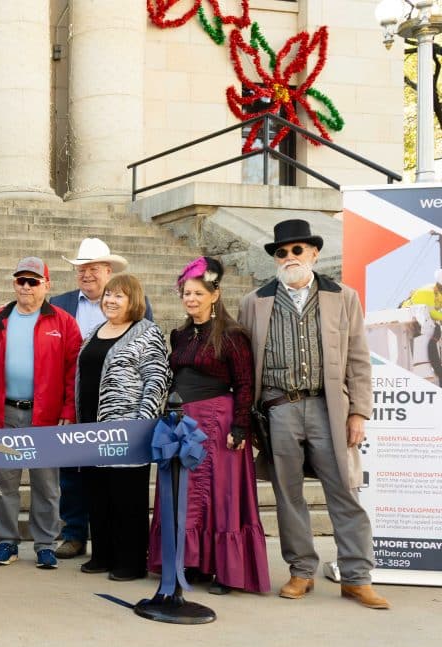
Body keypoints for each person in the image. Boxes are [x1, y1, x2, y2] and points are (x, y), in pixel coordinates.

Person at [238, 219, 389, 609]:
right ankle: (301, 570)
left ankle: (356, 576)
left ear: (314, 253)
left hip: (328, 407)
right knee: (288, 495)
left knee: (344, 491)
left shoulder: (343, 297)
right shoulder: (254, 301)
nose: (290, 257)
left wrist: (359, 412)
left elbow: (359, 358)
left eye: (297, 250)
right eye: (282, 252)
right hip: (278, 407)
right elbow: (244, 363)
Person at [146, 257, 269, 594]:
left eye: (198, 293)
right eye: (186, 293)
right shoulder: (181, 334)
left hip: (218, 421)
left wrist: (240, 427)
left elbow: (245, 383)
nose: (191, 299)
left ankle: (223, 570)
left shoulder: (231, 335)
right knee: (184, 492)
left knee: (219, 495)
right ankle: (192, 562)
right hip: (181, 421)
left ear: (215, 295)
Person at [0, 257, 81, 570]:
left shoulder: (63, 323)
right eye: (21, 281)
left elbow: (74, 370)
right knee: (4, 483)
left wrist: (69, 409)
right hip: (4, 413)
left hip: (45, 415)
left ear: (47, 285)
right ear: (14, 284)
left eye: (33, 281)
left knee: (46, 484)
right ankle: (6, 543)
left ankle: (45, 544)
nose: (27, 287)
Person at [50, 237, 152, 561]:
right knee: (75, 475)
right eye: (82, 269)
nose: (87, 275)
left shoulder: (138, 307)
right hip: (79, 405)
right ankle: (75, 533)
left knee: (116, 483)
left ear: (108, 270)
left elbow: (148, 360)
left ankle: (118, 547)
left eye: (94, 268)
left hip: (121, 412)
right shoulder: (60, 303)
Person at [76, 273, 170, 581]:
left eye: (119, 296)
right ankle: (102, 554)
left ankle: (130, 561)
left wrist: (143, 424)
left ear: (133, 301)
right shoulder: (93, 331)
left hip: (127, 430)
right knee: (97, 493)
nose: (110, 301)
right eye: (107, 295)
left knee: (126, 497)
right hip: (91, 428)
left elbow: (157, 380)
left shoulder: (146, 332)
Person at [400, 268, 442, 383]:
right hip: (409, 316)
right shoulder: (428, 292)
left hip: (422, 319)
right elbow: (434, 313)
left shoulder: (438, 292)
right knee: (433, 331)